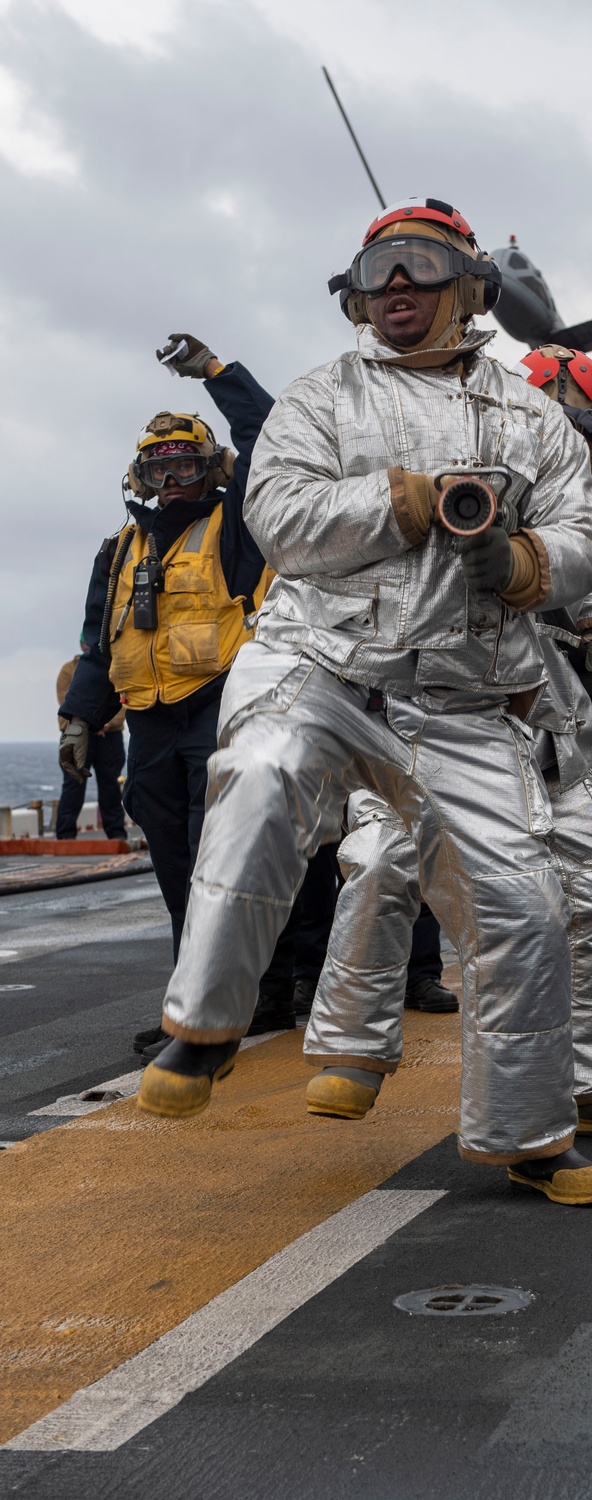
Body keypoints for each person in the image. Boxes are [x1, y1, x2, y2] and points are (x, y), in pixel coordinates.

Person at [137, 198, 592, 1207]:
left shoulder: (531, 416)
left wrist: (523, 560)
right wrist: (401, 501)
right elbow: (277, 519)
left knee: (525, 912)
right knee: (260, 776)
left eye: (419, 265)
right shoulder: (318, 400)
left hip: (462, 696)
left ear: (469, 288)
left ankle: (529, 1135)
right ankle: (205, 1028)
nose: (396, 285)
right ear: (357, 302)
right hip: (323, 663)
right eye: (376, 273)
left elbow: (586, 537)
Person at [303, 345, 592, 1153]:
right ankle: (355, 1046)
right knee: (381, 861)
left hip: (549, 728)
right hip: (423, 720)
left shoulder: (571, 501)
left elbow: (590, 572)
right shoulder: (432, 482)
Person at [57, 337, 277, 1036]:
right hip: (149, 726)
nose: (172, 476)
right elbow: (100, 642)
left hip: (218, 709)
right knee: (179, 871)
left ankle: (240, 1000)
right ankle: (199, 997)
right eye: (159, 467)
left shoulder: (238, 525)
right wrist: (76, 720)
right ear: (141, 477)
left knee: (222, 866)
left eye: (185, 462)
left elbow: (267, 436)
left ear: (210, 468)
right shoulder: (119, 548)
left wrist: (216, 374)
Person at [55, 640, 126, 841]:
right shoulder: (68, 670)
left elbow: (125, 700)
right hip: (79, 733)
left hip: (109, 736)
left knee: (111, 785)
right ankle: (65, 836)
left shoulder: (119, 664)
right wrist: (90, 722)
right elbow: (66, 700)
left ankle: (116, 834)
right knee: (72, 783)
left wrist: (105, 724)